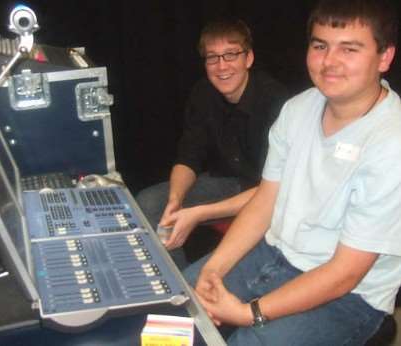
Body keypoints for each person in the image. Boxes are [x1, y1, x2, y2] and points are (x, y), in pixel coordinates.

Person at [182, 0, 401, 344]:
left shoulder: (392, 142)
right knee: (173, 313)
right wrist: (214, 269)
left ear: (385, 57)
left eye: (349, 49)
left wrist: (248, 312)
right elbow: (266, 200)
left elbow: (345, 274)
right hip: (272, 253)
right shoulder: (298, 109)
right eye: (320, 46)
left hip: (351, 297)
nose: (330, 62)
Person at [135, 19, 288, 268]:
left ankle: (203, 284)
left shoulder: (276, 101)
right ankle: (180, 287)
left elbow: (273, 190)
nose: (221, 66)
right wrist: (175, 200)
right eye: (212, 58)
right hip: (231, 183)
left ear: (248, 58)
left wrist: (198, 214)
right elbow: (189, 157)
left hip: (272, 197)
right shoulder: (203, 93)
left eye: (230, 55)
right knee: (151, 204)